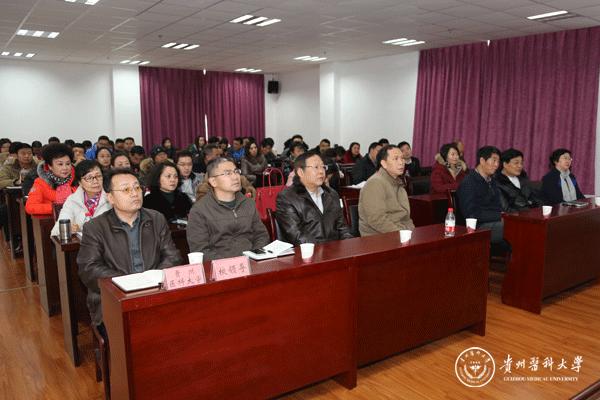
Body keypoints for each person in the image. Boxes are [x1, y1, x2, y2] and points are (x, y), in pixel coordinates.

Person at [77, 168, 182, 327]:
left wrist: (153, 280)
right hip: (115, 302)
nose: (134, 193)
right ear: (110, 198)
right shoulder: (95, 227)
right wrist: (130, 282)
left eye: (137, 188)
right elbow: (89, 269)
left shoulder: (156, 219)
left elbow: (172, 256)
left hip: (156, 294)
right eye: (126, 190)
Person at [187, 157, 269, 261]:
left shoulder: (248, 203)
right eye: (227, 173)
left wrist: (254, 256)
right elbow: (200, 250)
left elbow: (261, 235)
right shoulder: (199, 210)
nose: (235, 177)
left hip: (252, 261)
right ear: (213, 181)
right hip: (221, 267)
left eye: (236, 171)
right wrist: (232, 263)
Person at [276, 153, 352, 244]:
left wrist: (349, 245)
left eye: (323, 167)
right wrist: (326, 249)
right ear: (300, 172)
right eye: (316, 167)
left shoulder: (331, 194)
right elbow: (297, 236)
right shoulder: (287, 198)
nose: (321, 171)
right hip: (308, 251)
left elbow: (343, 228)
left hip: (335, 249)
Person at [359, 145, 415, 236]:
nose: (401, 162)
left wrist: (412, 233)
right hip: (379, 237)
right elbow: (377, 219)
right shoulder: (375, 183)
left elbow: (406, 218)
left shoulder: (398, 183)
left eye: (402, 158)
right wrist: (401, 234)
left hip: (401, 233)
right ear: (384, 163)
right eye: (396, 159)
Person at [457, 146, 504, 245]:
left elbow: (498, 205)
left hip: (494, 221)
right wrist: (500, 216)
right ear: (482, 161)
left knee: (518, 225)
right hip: (478, 227)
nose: (496, 165)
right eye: (494, 160)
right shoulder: (469, 182)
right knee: (514, 227)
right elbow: (472, 213)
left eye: (498, 161)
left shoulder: (492, 181)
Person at [50, 160, 111, 236]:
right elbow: (56, 230)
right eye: (89, 178)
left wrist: (81, 228)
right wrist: (70, 228)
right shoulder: (72, 200)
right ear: (80, 182)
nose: (95, 181)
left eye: (98, 176)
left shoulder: (111, 197)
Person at [25, 144, 76, 215]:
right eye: (60, 164)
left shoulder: (78, 180)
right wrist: (58, 208)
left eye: (68, 164)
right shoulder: (40, 183)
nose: (65, 168)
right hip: (51, 220)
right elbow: (30, 207)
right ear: (50, 166)